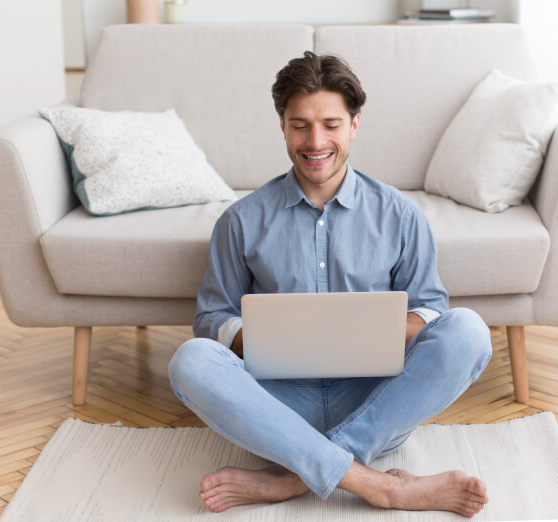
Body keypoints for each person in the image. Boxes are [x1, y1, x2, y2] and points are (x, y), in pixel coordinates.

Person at [168, 51, 493, 516]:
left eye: (331, 124)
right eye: (300, 125)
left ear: (354, 125)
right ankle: (380, 486)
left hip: (375, 403)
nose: (315, 141)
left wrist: (372, 333)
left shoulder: (400, 215)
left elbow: (432, 310)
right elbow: (211, 320)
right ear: (282, 126)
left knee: (470, 331)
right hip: (276, 406)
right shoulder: (240, 221)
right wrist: (260, 335)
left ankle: (292, 477)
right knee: (190, 360)